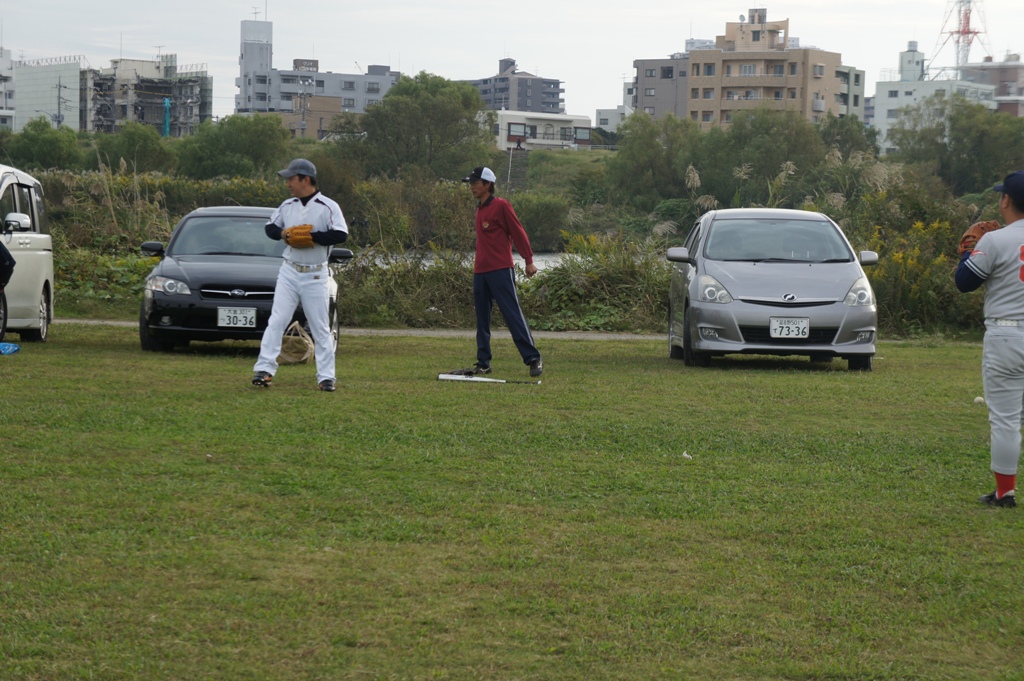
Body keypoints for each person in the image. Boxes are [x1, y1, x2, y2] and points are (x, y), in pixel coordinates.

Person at [955, 170, 1024, 507]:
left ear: (1006, 200)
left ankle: (1004, 492)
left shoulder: (995, 240)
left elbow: (965, 282)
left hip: (1007, 334)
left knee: (1006, 420)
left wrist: (969, 254)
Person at [252, 158, 349, 392]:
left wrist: (313, 237)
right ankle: (264, 369)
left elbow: (341, 235)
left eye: (291, 179)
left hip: (315, 274)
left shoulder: (328, 206)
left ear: (305, 179)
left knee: (320, 327)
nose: (288, 184)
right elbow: (270, 228)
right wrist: (285, 234)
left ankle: (326, 377)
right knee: (277, 320)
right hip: (289, 270)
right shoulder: (288, 206)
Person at [458, 166, 542, 377]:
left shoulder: (501, 206)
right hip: (481, 272)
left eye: (475, 183)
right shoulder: (479, 209)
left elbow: (518, 232)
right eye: (470, 183)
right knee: (482, 319)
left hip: (501, 270)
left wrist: (528, 260)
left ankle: (533, 358)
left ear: (487, 184)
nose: (472, 187)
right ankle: (483, 362)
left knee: (512, 314)